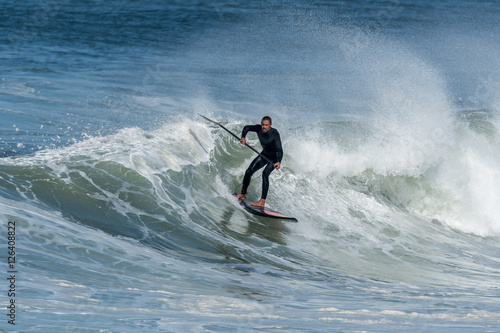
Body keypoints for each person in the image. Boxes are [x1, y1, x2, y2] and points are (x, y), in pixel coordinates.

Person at [235, 116, 283, 207]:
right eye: (262, 124)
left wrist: (278, 161)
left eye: (266, 125)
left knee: (265, 174)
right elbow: (246, 128)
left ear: (270, 125)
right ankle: (243, 193)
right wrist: (243, 137)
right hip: (264, 154)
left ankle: (262, 201)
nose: (264, 127)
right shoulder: (258, 128)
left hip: (274, 158)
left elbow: (279, 149)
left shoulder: (275, 133)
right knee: (249, 171)